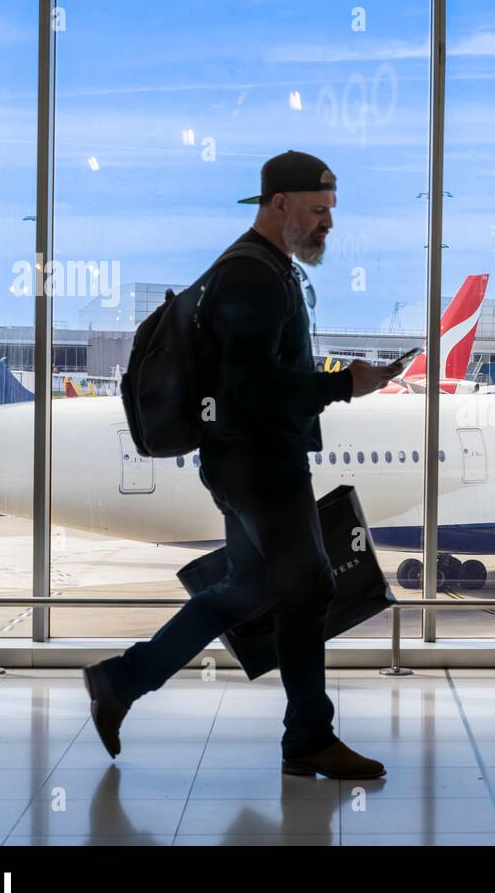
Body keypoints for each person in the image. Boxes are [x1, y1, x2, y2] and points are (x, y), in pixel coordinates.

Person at [82, 151, 404, 779]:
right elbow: (252, 389)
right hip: (258, 462)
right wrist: (345, 384)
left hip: (244, 459)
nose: (327, 225)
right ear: (278, 205)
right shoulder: (252, 277)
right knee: (309, 589)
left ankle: (122, 681)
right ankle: (308, 738)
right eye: (317, 212)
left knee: (246, 590)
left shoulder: (261, 267)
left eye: (330, 213)